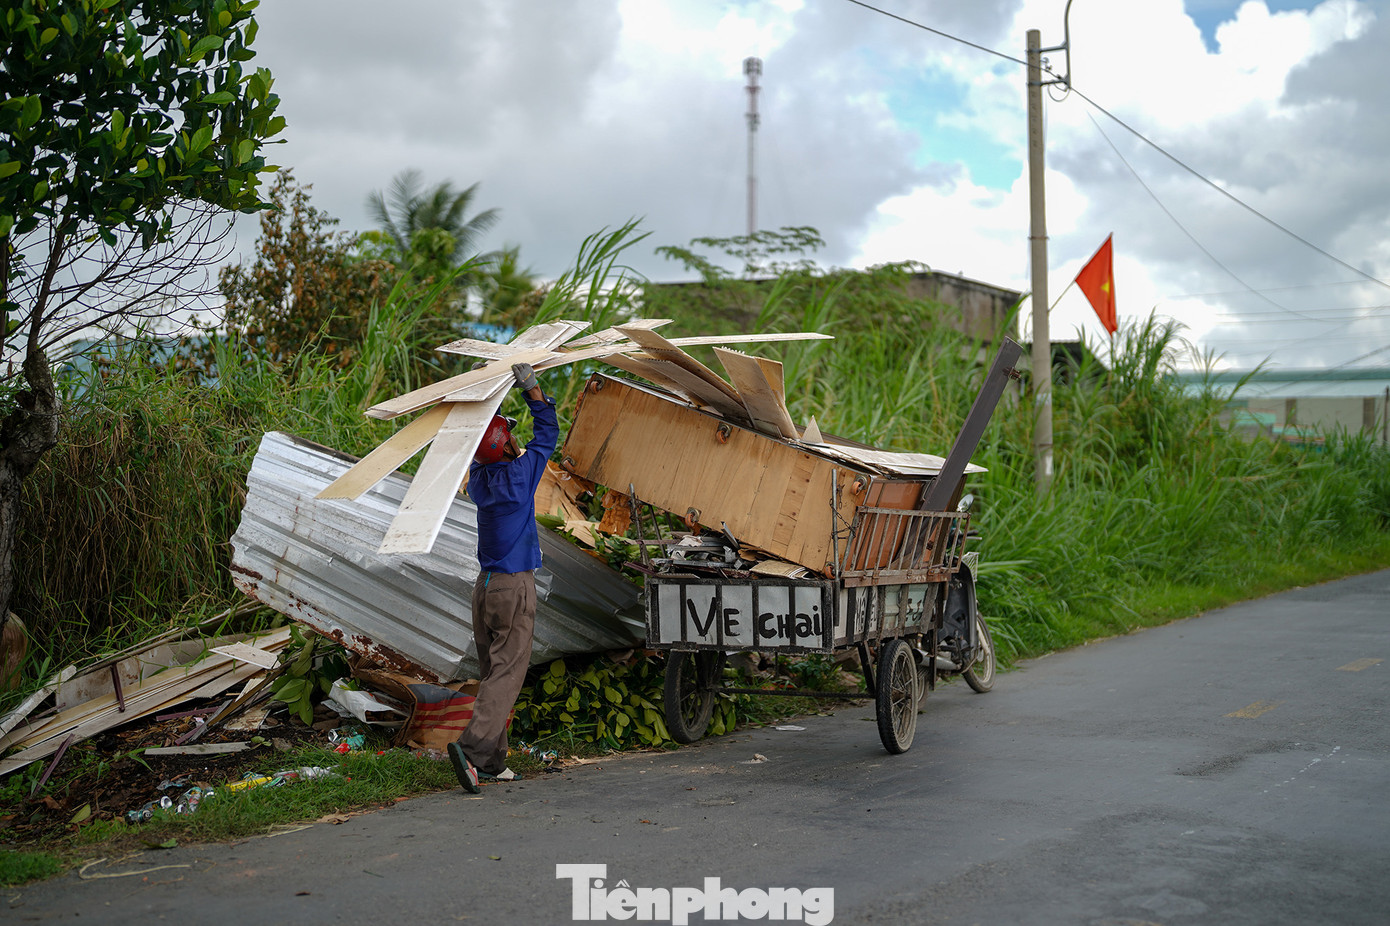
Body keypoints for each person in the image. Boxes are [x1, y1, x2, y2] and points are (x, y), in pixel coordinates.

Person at [448, 361, 556, 794]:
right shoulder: (519, 475)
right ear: (507, 443)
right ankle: (472, 754)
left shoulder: (479, 481)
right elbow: (547, 434)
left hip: (486, 587)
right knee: (508, 673)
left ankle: (492, 761)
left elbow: (488, 449)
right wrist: (531, 389)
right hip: (514, 588)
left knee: (494, 669)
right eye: (508, 433)